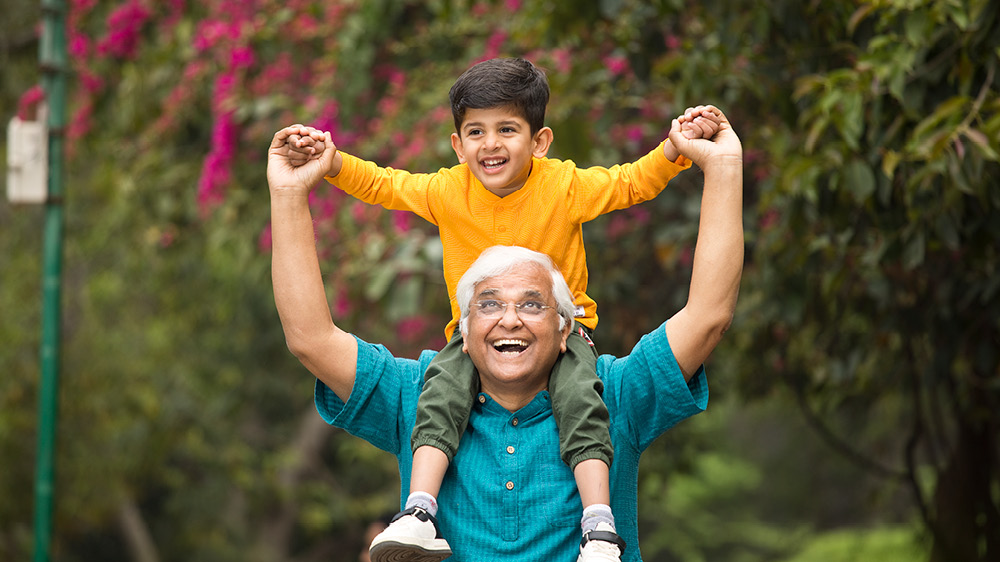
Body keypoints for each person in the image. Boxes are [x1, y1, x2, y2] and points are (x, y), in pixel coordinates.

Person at [283, 56, 721, 561]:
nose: (490, 144)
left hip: (567, 339)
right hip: (468, 344)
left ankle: (599, 528)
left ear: (540, 141)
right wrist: (331, 164)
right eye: (475, 132)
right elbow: (384, 184)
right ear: (457, 144)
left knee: (581, 402)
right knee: (440, 398)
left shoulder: (564, 186)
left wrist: (675, 148)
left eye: (507, 129)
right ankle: (419, 511)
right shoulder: (448, 189)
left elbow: (629, 182)